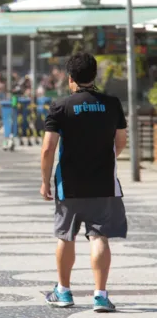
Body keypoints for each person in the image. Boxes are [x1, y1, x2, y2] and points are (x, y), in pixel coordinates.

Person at [41, 53, 128, 313]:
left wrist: (45, 181)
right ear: (94, 75)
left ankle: (63, 291)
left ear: (70, 78)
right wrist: (107, 157)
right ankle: (100, 296)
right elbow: (121, 140)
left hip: (69, 184)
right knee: (99, 236)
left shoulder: (60, 106)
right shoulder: (112, 104)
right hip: (103, 183)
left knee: (65, 236)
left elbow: (47, 148)